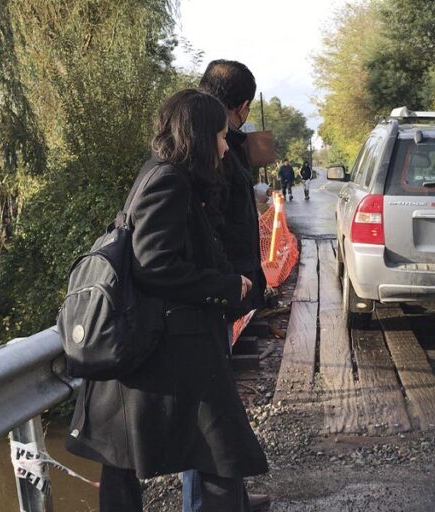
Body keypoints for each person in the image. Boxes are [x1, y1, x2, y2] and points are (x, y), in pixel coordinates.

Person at [65, 89, 268, 511]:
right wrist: (228, 286)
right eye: (219, 135)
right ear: (198, 135)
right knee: (220, 455)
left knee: (125, 461)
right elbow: (155, 265)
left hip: (162, 345)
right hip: (174, 346)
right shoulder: (169, 181)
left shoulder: (163, 174)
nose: (225, 144)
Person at [192, 59, 271, 512]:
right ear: (241, 106)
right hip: (213, 294)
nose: (227, 144)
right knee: (207, 413)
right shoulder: (206, 147)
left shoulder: (212, 137)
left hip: (221, 289)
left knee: (219, 406)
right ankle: (206, 503)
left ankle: (231, 495)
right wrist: (227, 282)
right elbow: (211, 223)